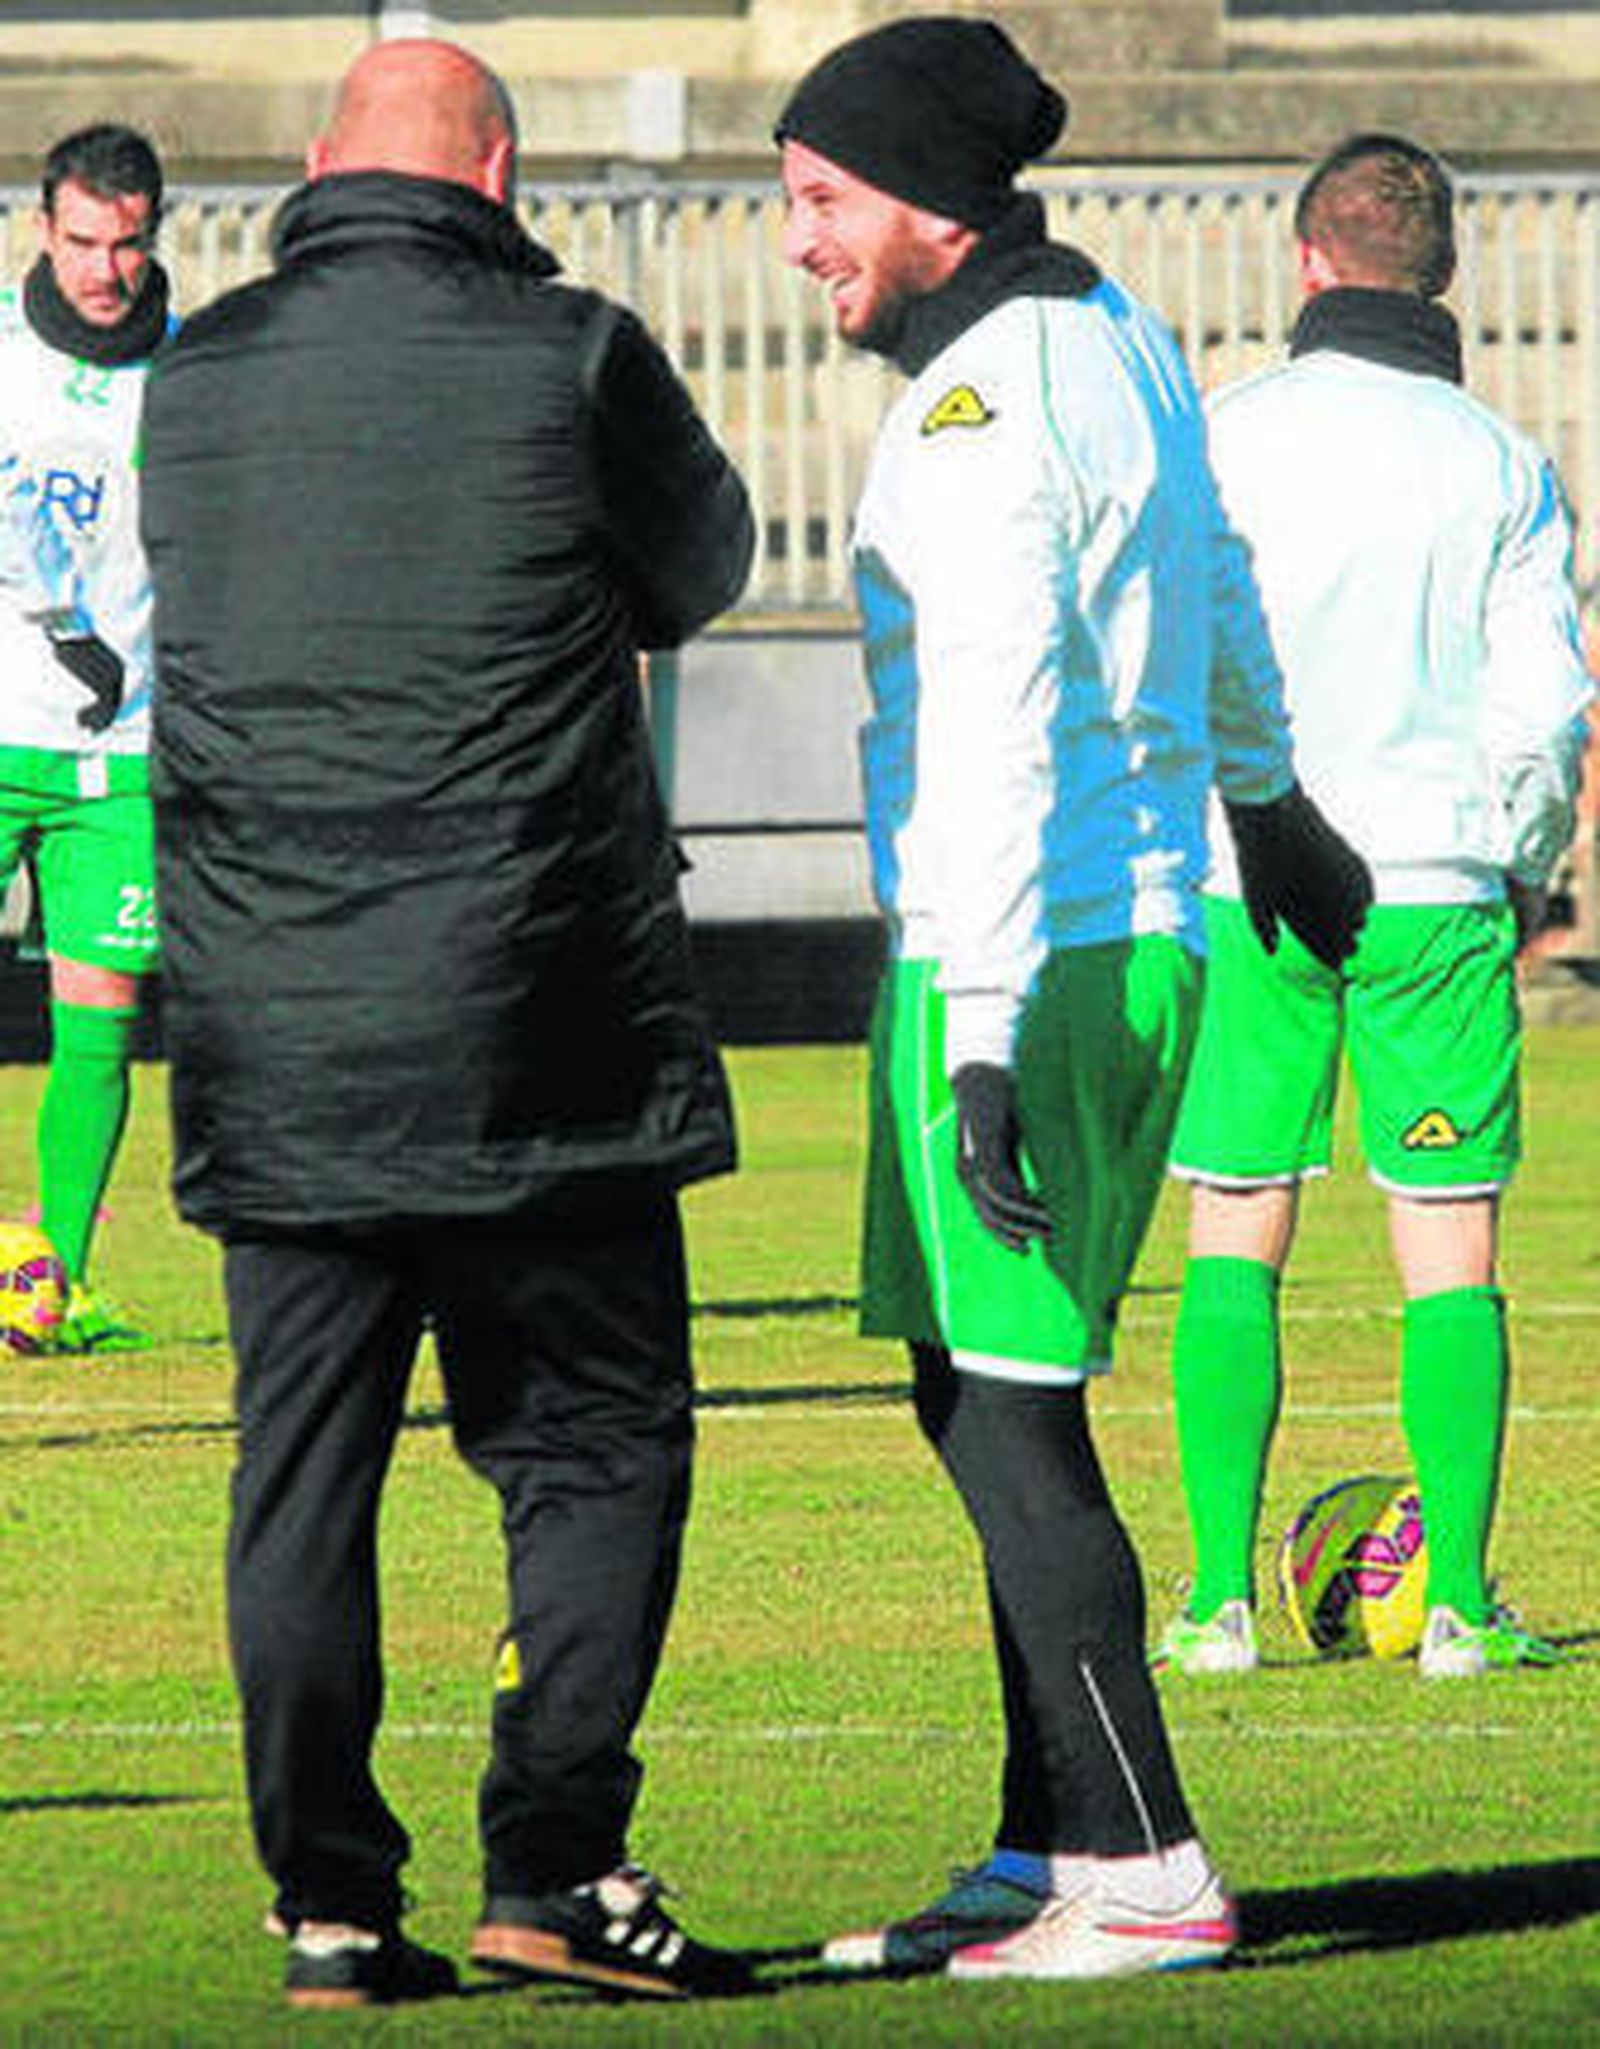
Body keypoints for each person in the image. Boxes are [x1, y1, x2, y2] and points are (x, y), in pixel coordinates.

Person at [140, 39, 755, 2009]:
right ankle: (553, 1859)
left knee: (298, 1474)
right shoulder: (572, 352)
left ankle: (326, 1897)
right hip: (533, 1018)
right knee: (588, 1442)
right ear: (501, 175)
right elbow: (706, 563)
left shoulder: (197, 380)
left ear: (317, 168)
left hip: (277, 1014)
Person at [775, 16, 1369, 1984]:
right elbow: (1211, 575)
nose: (797, 242)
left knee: (1015, 1416)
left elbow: (1002, 725)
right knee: (965, 1395)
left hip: (1018, 947)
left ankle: (1144, 1861)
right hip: (1091, 930)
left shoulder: (975, 412)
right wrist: (1268, 803)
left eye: (821, 200)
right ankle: (1045, 1836)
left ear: (931, 210)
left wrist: (969, 1043)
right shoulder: (1099, 326)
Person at [1156, 134, 1593, 1683]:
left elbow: (1166, 656)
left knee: (1232, 1221)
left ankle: (1214, 1601)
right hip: (1432, 885)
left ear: (1305, 263)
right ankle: (1460, 1609)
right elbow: (1547, 708)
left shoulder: (1223, 436)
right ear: (1448, 274)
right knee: (1449, 1243)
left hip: (1243, 879)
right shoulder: (1495, 458)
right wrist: (1522, 859)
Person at [0, 123, 173, 1353]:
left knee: (99, 1019)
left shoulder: (193, 368)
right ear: (40, 229)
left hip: (120, 755)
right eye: (81, 241)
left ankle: (49, 1285)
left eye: (126, 243)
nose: (104, 269)